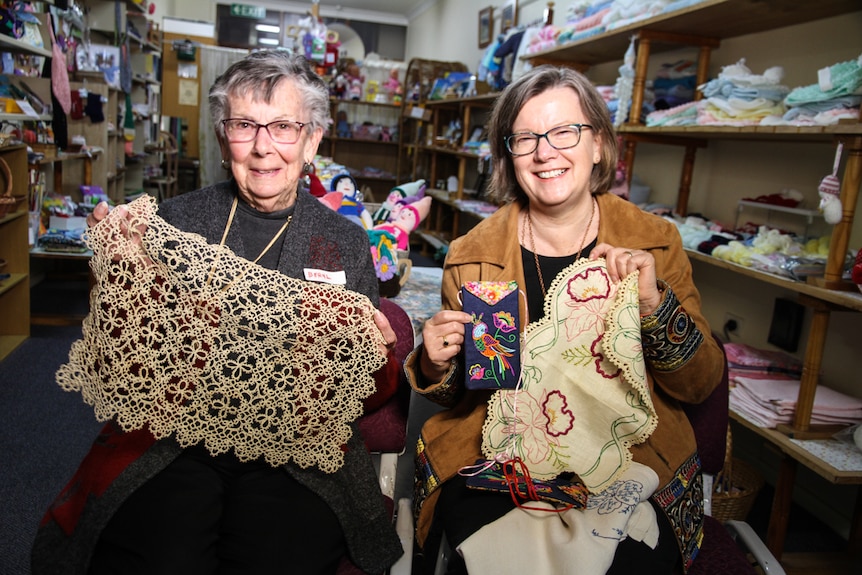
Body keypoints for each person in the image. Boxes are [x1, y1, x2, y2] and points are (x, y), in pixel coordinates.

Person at [32, 50, 403, 575]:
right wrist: (114, 272)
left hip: (296, 451)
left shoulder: (343, 242)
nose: (263, 146)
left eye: (283, 127)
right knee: (158, 555)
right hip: (175, 439)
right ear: (221, 134)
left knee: (277, 558)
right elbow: (132, 360)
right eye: (244, 125)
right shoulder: (174, 220)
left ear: (312, 139)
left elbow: (363, 396)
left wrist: (377, 354)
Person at [405, 65, 725, 574]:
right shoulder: (474, 254)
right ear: (508, 154)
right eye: (525, 137)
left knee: (629, 564)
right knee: (490, 555)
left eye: (564, 132)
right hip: (502, 459)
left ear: (597, 144)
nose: (545, 152)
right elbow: (476, 391)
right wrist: (437, 364)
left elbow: (699, 384)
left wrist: (652, 307)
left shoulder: (654, 242)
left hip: (633, 456)